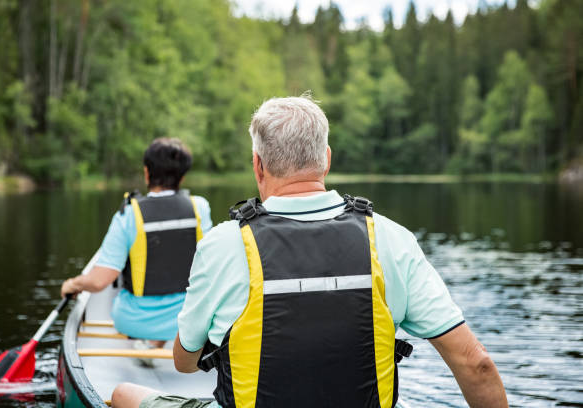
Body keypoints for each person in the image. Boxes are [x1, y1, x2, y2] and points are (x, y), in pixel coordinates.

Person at [111, 97, 508, 407]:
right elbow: (476, 363)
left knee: (124, 395)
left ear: (258, 166)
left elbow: (184, 363)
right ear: (327, 160)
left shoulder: (223, 243)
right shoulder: (391, 238)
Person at [61, 137, 212, 354]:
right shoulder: (200, 207)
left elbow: (99, 281)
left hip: (134, 322)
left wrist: (72, 285)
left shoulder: (128, 215)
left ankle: (152, 341)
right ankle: (161, 342)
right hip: (188, 321)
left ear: (147, 173)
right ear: (183, 175)